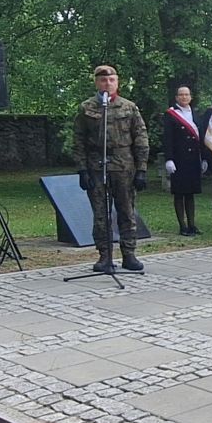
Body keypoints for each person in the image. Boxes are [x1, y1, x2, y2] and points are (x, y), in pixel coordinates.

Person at [73, 65, 149, 272]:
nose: (108, 84)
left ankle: (129, 254)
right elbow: (78, 141)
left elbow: (140, 138)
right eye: (103, 80)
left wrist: (141, 169)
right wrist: (82, 170)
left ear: (118, 82)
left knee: (126, 212)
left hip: (124, 167)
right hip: (97, 167)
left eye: (112, 80)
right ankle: (104, 256)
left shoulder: (129, 107)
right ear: (96, 82)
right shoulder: (87, 108)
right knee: (100, 214)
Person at [163, 85, 207, 236]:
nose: (184, 97)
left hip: (193, 159)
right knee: (179, 193)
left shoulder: (195, 114)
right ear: (176, 97)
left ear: (190, 97)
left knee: (191, 193)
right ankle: (182, 226)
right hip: (178, 159)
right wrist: (169, 159)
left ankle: (192, 225)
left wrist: (204, 158)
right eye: (181, 95)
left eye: (186, 94)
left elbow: (201, 137)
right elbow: (168, 138)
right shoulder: (171, 114)